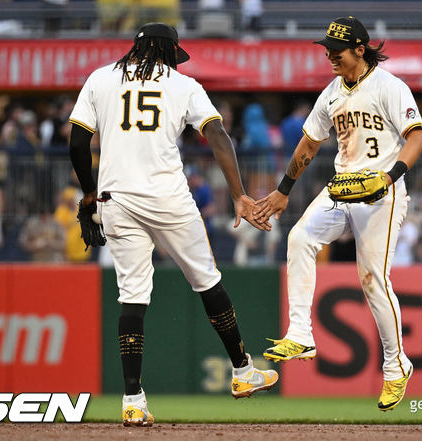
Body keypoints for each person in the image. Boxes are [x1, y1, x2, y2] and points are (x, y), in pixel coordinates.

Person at [68, 22, 278, 427]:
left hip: (117, 200)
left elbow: (77, 143)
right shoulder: (183, 85)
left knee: (132, 295)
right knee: (206, 280)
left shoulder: (99, 79)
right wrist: (238, 194)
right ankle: (241, 371)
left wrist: (89, 195)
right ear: (168, 51)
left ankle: (133, 400)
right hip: (168, 198)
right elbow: (217, 134)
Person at [254, 16, 422, 411]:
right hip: (343, 186)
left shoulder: (389, 87)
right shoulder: (331, 92)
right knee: (299, 238)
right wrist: (283, 191)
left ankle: (396, 366)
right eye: (327, 49)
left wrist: (391, 175)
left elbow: (417, 137)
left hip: (384, 192)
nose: (329, 55)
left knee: (372, 279)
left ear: (360, 50)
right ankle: (301, 334)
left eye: (337, 50)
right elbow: (308, 145)